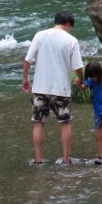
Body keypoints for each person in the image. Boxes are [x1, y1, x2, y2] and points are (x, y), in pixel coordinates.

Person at [22, 11, 84, 165]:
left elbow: (27, 60)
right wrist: (81, 80)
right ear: (68, 24)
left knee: (38, 122)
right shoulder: (71, 40)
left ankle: (38, 160)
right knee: (65, 123)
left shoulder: (39, 35)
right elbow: (77, 67)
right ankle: (65, 160)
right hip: (61, 90)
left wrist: (25, 78)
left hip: (40, 88)